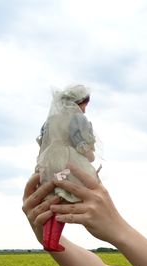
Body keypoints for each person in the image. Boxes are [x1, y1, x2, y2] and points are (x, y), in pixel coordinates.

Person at [35, 83, 98, 252]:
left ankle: (47, 241)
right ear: (80, 102)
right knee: (62, 198)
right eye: (85, 105)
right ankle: (53, 242)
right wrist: (89, 155)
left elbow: (43, 142)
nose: (85, 109)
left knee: (51, 199)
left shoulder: (51, 119)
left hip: (49, 162)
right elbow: (81, 144)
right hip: (67, 162)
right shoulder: (77, 118)